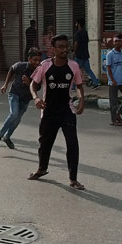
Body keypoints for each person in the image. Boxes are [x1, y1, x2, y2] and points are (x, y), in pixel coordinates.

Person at [27, 34, 86, 190]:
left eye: (66, 46)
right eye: (60, 47)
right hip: (49, 111)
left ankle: (73, 179)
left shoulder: (73, 66)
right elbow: (33, 84)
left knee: (72, 144)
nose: (64, 49)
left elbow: (79, 86)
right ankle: (42, 169)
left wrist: (81, 100)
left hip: (67, 111)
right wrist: (36, 98)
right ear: (53, 49)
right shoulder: (45, 66)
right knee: (45, 143)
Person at [0, 50, 42, 149]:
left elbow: (38, 87)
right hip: (15, 94)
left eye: (39, 60)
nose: (37, 62)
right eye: (35, 60)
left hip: (26, 99)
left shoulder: (39, 71)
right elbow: (12, 69)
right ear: (29, 59)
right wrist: (6, 84)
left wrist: (30, 83)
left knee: (17, 119)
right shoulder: (21, 66)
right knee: (13, 114)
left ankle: (7, 137)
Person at [106, 34, 122, 127]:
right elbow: (108, 68)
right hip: (113, 82)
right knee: (113, 102)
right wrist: (112, 80)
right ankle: (113, 120)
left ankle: (118, 113)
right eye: (115, 41)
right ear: (113, 42)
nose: (117, 43)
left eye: (119, 41)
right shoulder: (110, 54)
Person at [73, 18, 99, 89]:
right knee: (88, 70)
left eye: (76, 23)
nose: (75, 25)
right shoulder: (85, 32)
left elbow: (76, 43)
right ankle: (96, 82)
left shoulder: (77, 33)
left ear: (78, 24)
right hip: (85, 55)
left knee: (75, 70)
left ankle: (73, 86)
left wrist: (74, 52)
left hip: (79, 55)